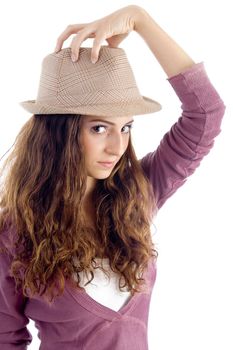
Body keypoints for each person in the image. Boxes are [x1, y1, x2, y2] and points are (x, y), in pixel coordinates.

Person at [0, 5, 226, 350]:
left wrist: (140, 20)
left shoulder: (137, 196)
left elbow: (207, 113)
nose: (118, 146)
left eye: (126, 127)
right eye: (99, 127)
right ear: (58, 132)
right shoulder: (14, 235)